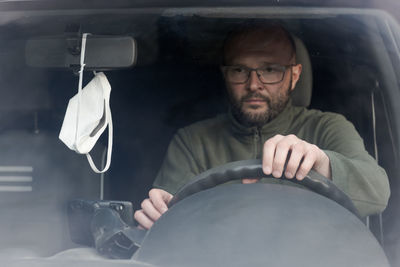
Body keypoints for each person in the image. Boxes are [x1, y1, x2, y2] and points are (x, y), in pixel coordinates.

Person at [134, 24, 390, 230]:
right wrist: (159, 216)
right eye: (239, 70)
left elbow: (378, 192)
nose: (254, 84)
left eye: (270, 69)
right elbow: (169, 223)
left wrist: (321, 162)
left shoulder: (327, 127)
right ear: (226, 75)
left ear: (295, 75)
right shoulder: (193, 141)